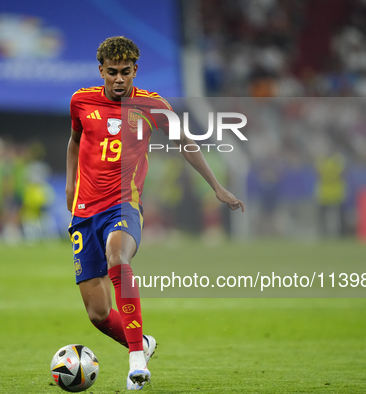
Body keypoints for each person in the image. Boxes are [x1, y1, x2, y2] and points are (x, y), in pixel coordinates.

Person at [65, 36, 244, 390]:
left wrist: (216, 187)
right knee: (98, 314)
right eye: (112, 72)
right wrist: (71, 186)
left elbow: (185, 143)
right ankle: (143, 343)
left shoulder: (152, 105)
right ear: (101, 71)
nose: (119, 79)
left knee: (118, 256)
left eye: (126, 72)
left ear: (136, 70)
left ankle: (135, 363)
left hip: (124, 205)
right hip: (84, 213)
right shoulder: (80, 101)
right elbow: (74, 141)